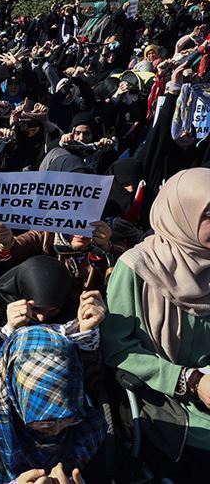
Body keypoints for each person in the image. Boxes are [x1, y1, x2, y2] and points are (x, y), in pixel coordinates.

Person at [102, 168, 210, 479]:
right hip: (162, 396)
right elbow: (119, 349)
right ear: (182, 214)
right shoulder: (138, 267)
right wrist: (190, 380)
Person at [0, 326, 106, 484]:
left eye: (66, 419)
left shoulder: (88, 430)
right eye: (45, 422)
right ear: (15, 392)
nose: (56, 430)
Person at [0, 256, 107, 391]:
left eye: (52, 310)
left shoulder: (75, 310)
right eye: (36, 308)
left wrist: (86, 335)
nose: (42, 318)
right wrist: (6, 332)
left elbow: (92, 383)